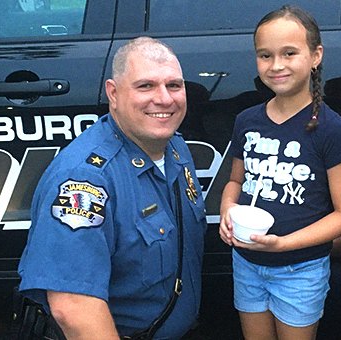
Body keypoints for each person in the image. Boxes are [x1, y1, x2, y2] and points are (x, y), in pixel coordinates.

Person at [17, 36, 207, 339]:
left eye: (174, 85)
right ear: (113, 93)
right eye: (145, 86)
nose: (165, 99)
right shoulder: (86, 180)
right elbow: (73, 307)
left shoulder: (175, 149)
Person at [218, 5, 341, 340]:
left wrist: (283, 245)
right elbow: (236, 181)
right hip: (247, 263)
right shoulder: (247, 121)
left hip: (301, 269)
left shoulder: (330, 127)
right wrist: (227, 210)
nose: (276, 65)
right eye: (265, 55)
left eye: (289, 53)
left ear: (315, 56)